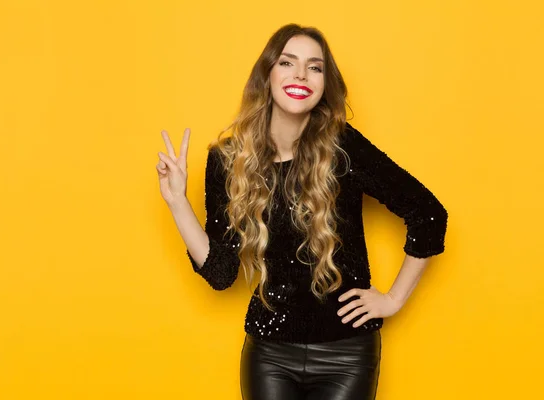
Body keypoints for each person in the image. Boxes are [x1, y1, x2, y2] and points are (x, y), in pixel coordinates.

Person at [156, 23, 448, 400]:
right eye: (287, 63)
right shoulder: (228, 161)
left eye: (315, 67)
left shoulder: (344, 148)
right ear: (267, 76)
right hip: (269, 354)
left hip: (348, 354)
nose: (300, 75)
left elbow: (428, 214)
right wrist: (177, 201)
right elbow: (220, 272)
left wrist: (392, 299)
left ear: (325, 83)